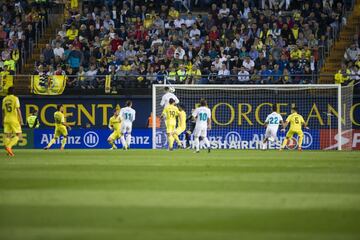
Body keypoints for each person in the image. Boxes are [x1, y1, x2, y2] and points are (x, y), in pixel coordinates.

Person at [2, 87, 23, 156]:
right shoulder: (15, 98)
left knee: (8, 135)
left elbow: (3, 111)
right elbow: (18, 109)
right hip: (13, 119)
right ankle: (9, 146)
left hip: (6, 119)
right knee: (19, 134)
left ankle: (8, 151)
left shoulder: (4, 99)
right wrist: (21, 119)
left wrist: (3, 119)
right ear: (14, 92)